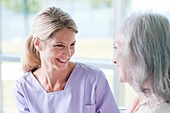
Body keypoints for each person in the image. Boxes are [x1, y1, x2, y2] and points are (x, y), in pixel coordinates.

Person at [13, 6, 120, 113]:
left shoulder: (93, 79)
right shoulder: (23, 87)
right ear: (38, 43)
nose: (68, 53)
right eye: (59, 45)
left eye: (72, 45)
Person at [113, 12, 170, 113]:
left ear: (141, 54)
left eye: (118, 47)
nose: (115, 59)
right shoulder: (142, 101)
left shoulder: (161, 109)